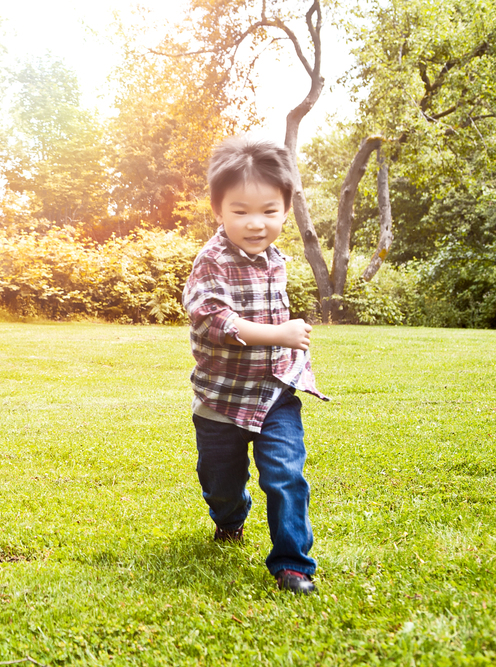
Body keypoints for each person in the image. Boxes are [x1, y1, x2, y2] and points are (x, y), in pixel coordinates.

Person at [182, 136, 329, 594]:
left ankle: (293, 565)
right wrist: (279, 333)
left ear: (286, 208)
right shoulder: (212, 260)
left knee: (286, 475)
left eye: (269, 211)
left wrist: (285, 348)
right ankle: (229, 517)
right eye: (240, 210)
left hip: (275, 391)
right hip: (221, 399)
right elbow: (212, 319)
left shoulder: (276, 258)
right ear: (218, 209)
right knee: (220, 482)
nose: (255, 223)